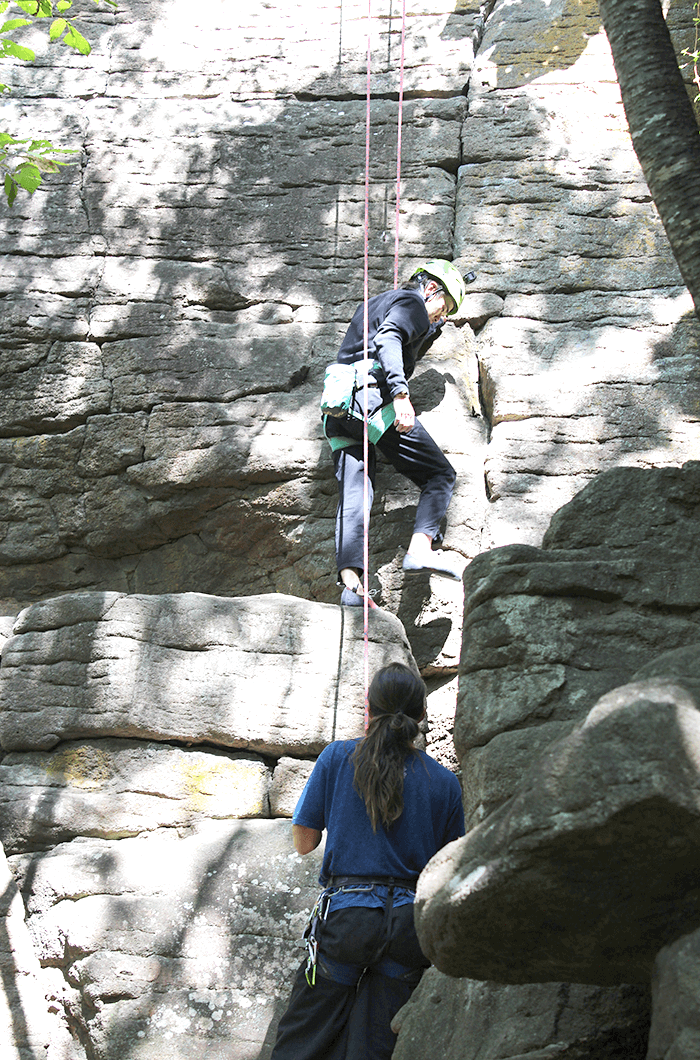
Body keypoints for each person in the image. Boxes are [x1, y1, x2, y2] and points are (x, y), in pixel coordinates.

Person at [270, 662, 465, 1060]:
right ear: (422, 717)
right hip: (409, 927)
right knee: (375, 1049)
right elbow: (449, 868)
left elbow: (304, 843)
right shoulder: (444, 782)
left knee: (303, 1036)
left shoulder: (337, 758)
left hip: (348, 918)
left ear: (368, 709)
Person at [323, 260, 469, 606]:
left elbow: (398, 338)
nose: (437, 316)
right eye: (442, 308)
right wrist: (401, 395)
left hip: (339, 409)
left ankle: (351, 587)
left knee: (356, 496)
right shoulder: (414, 302)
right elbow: (391, 338)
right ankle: (420, 549)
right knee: (440, 475)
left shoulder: (377, 303)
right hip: (371, 403)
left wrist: (434, 327)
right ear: (431, 288)